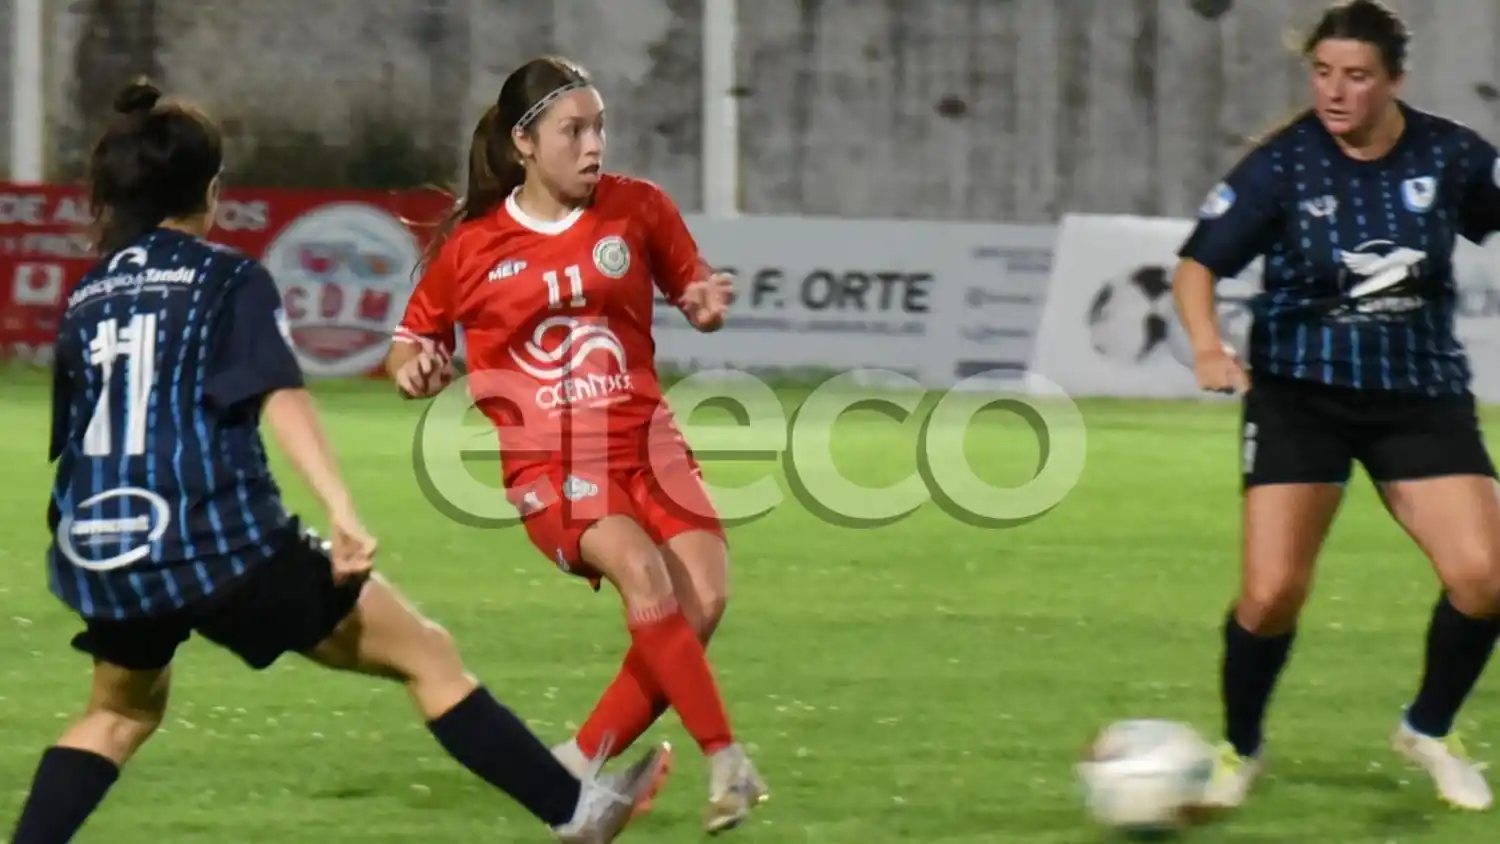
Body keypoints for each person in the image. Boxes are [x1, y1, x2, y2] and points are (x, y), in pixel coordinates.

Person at [9, 78, 668, 844]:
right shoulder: (226, 277)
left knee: (118, 714)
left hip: (104, 545)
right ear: (211, 190)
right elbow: (278, 393)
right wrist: (341, 512)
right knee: (426, 654)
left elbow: (72, 434)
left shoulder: (90, 293)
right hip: (219, 542)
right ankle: (575, 811)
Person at [386, 55, 768, 834]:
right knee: (641, 571)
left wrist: (703, 301)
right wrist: (415, 368)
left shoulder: (638, 207)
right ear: (524, 142)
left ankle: (574, 762)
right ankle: (727, 760)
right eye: (574, 131)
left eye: (600, 128)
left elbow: (692, 285)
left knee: (705, 597)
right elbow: (409, 343)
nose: (594, 145)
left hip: (648, 439)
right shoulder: (473, 246)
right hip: (549, 461)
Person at [1172, 0, 1500, 813]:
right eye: (1323, 73)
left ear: (1394, 81)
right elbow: (1197, 265)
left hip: (1419, 397)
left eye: (1356, 76)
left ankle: (1427, 729)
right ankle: (1240, 747)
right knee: (1271, 595)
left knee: (1487, 579)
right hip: (1299, 398)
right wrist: (1209, 346)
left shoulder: (1451, 155)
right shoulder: (1283, 166)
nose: (1335, 91)